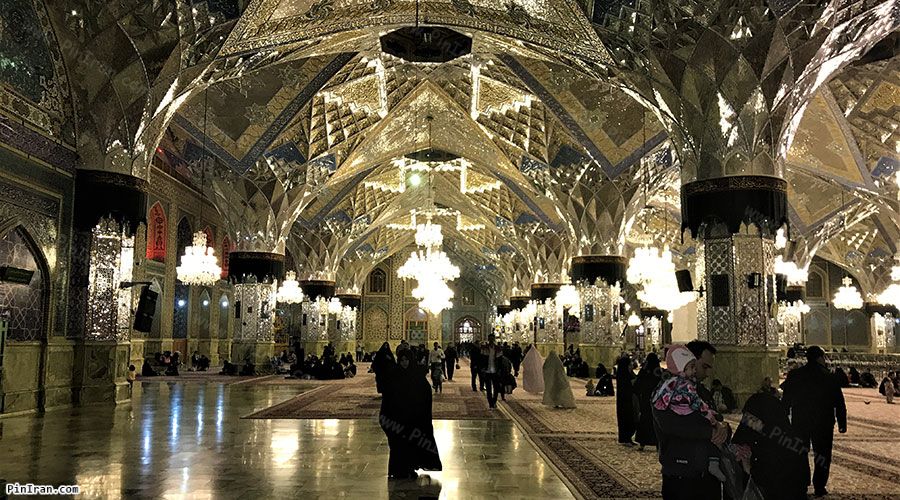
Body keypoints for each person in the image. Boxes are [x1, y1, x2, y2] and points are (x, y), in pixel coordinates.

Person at [652, 345, 729, 500]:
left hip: (707, 475)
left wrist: (723, 430)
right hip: (681, 474)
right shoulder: (666, 392)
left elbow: (712, 417)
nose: (707, 373)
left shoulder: (701, 392)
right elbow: (672, 426)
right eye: (704, 367)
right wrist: (710, 432)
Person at [781, 346, 847, 497]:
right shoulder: (829, 376)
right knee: (822, 455)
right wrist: (842, 422)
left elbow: (786, 400)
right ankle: (819, 486)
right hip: (823, 423)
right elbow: (839, 402)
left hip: (801, 421)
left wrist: (784, 418)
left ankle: (802, 483)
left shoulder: (795, 375)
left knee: (800, 452)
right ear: (820, 358)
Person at [732, 391, 809, 500]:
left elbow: (778, 479)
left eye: (752, 420)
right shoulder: (759, 432)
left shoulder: (789, 443)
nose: (749, 423)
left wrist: (749, 468)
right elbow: (738, 441)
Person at [379, 349, 442, 479]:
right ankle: (399, 470)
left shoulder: (417, 376)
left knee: (411, 444)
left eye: (406, 360)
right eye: (402, 360)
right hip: (397, 418)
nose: (404, 363)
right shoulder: (394, 375)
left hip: (412, 418)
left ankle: (409, 468)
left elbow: (425, 394)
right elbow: (388, 396)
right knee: (398, 445)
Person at [633, 352, 662, 450]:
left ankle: (642, 443)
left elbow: (637, 384)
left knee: (645, 420)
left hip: (645, 399)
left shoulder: (645, 371)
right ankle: (658, 444)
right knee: (656, 421)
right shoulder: (658, 371)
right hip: (656, 400)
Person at [615, 353, 636, 445]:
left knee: (630, 419)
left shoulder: (627, 373)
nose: (631, 366)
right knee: (625, 419)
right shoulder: (623, 376)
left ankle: (628, 438)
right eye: (630, 364)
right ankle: (625, 438)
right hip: (624, 401)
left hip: (628, 400)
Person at [481, 334, 504, 409]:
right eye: (490, 339)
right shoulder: (484, 348)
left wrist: (500, 370)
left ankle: (494, 401)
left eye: (492, 338)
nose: (491, 340)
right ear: (488, 339)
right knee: (488, 388)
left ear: (494, 339)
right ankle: (490, 402)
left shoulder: (498, 349)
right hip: (487, 371)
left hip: (495, 371)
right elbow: (481, 359)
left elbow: (500, 361)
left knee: (496, 387)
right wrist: (482, 368)